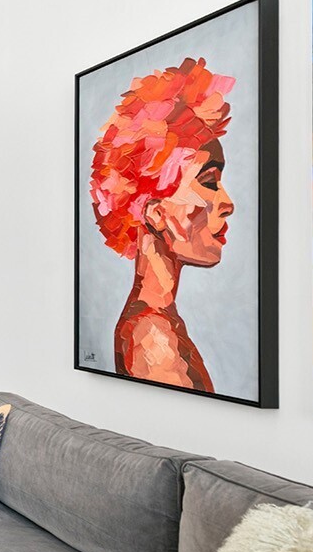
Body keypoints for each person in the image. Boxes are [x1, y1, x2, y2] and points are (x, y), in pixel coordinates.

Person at [89, 57, 235, 391]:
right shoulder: (152, 339)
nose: (227, 203)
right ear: (155, 213)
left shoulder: (157, 324)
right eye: (209, 182)